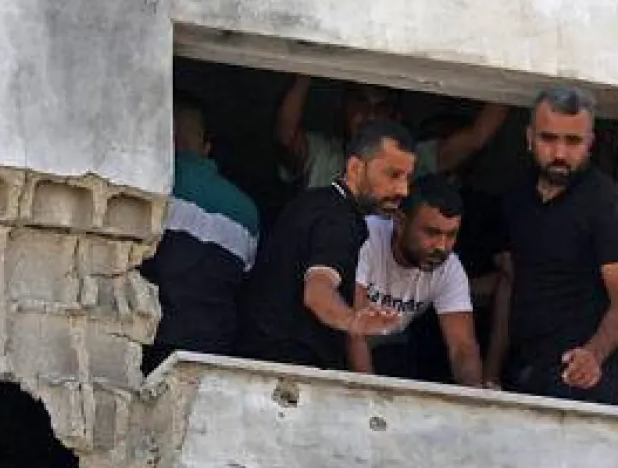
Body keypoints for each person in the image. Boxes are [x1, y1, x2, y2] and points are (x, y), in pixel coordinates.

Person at [487, 86, 618, 405]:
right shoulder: (516, 197)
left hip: (578, 383)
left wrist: (593, 355)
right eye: (548, 138)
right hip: (521, 375)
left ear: (590, 143)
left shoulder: (608, 207)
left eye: (572, 142)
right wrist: (490, 373)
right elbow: (510, 283)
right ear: (529, 138)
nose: (559, 153)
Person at [236, 121, 416, 370]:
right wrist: (353, 321)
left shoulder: (312, 202)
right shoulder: (339, 220)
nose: (404, 190)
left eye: (408, 178)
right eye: (393, 175)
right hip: (287, 372)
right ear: (355, 168)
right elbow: (317, 290)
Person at [140, 93, 261, 373]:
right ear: (206, 147)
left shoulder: (150, 188)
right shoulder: (247, 211)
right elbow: (243, 279)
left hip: (151, 340)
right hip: (212, 347)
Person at [345, 175, 488, 388]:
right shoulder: (363, 237)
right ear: (400, 222)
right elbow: (354, 332)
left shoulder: (449, 267)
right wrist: (369, 399)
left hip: (388, 348)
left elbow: (462, 346)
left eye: (451, 235)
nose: (442, 246)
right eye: (432, 232)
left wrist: (476, 399)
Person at [275, 74, 511, 187]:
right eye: (360, 103)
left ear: (395, 118)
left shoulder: (410, 162)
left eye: (380, 108)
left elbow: (476, 137)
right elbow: (286, 135)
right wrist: (306, 67)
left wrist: (512, 72)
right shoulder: (323, 154)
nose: (369, 115)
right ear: (342, 106)